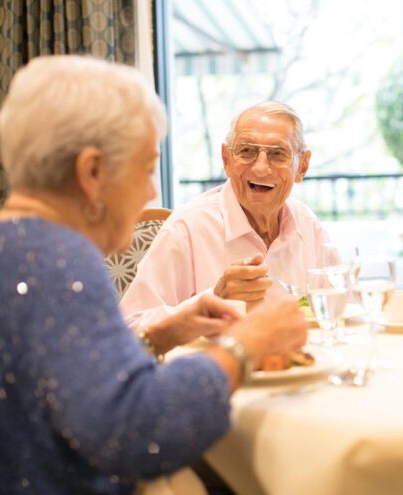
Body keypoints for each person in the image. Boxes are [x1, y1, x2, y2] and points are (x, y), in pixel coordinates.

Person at [0, 55, 308, 495]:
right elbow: (140, 433)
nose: (153, 192)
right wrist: (245, 347)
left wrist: (162, 333)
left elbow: (79, 382)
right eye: (148, 167)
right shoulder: (62, 263)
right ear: (93, 173)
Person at [120, 101, 336, 330]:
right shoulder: (186, 228)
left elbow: (338, 306)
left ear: (302, 166)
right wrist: (214, 300)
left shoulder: (307, 224)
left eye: (277, 154)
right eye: (247, 151)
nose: (261, 168)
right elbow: (131, 328)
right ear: (226, 159)